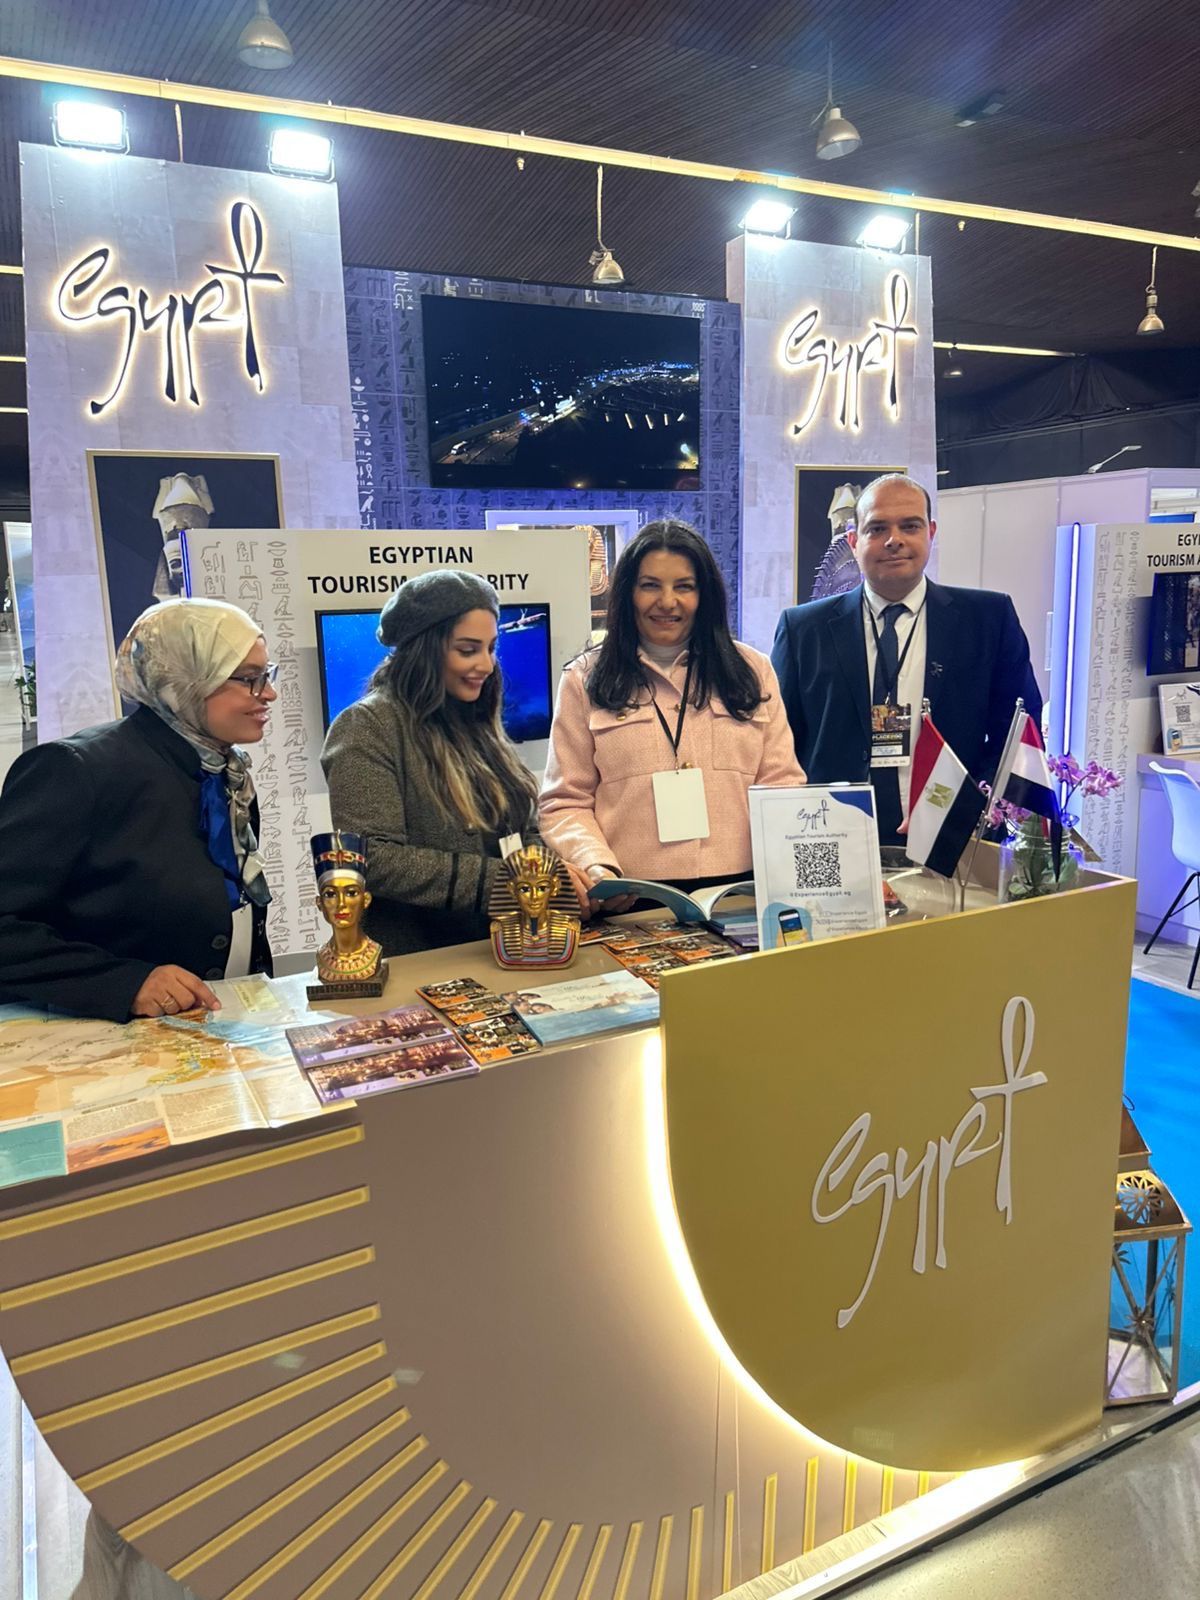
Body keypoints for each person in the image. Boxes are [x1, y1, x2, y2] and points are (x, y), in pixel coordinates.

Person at [0, 597, 276, 1022]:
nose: (269, 693)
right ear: (186, 680)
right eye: (249, 679)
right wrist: (125, 983)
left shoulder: (226, 771)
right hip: (102, 1043)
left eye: (266, 675)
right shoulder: (76, 770)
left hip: (218, 1031)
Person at [771, 473, 1042, 846]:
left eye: (910, 526)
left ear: (931, 532)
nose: (894, 539)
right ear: (853, 541)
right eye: (877, 528)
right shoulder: (803, 629)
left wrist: (960, 806)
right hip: (831, 837)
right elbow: (778, 744)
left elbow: (1018, 733)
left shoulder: (988, 619)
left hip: (953, 838)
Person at [538, 519, 804, 899]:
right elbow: (564, 802)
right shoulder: (584, 679)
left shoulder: (753, 671)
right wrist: (596, 866)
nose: (667, 602)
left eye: (684, 586)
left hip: (743, 894)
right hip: (631, 898)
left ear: (704, 594)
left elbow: (782, 785)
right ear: (628, 592)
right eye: (650, 585)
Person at [321, 569, 549, 956]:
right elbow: (373, 858)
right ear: (423, 651)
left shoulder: (476, 719)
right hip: (419, 962)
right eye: (468, 650)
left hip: (506, 950)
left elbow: (522, 825)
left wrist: (543, 870)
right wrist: (507, 880)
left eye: (491, 648)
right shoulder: (366, 727)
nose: (487, 665)